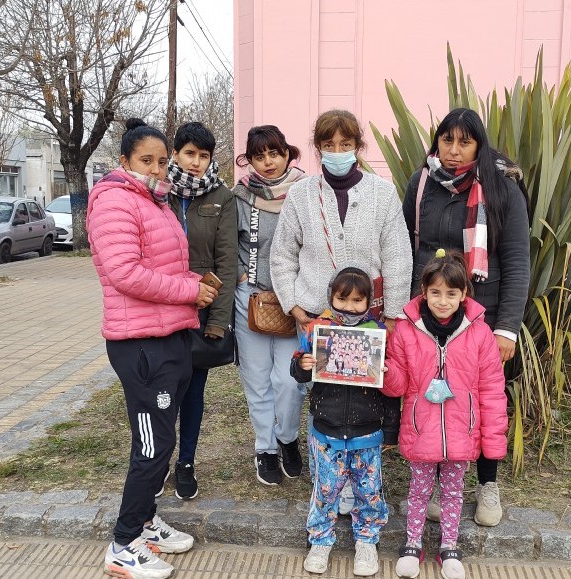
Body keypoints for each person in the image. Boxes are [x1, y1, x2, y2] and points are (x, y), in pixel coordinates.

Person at [87, 118, 218, 579]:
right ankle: (123, 545)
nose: (158, 169)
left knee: (159, 440)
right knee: (153, 445)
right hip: (141, 345)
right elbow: (126, 273)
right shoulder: (115, 202)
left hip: (168, 337)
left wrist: (189, 288)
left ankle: (145, 522)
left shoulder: (154, 201)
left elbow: (159, 264)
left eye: (163, 161)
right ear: (124, 161)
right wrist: (189, 290)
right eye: (147, 161)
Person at [270, 108, 412, 513]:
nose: (337, 151)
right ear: (317, 149)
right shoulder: (301, 195)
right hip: (318, 317)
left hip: (370, 321)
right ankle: (328, 479)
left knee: (364, 401)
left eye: (345, 144)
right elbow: (282, 256)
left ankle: (361, 477)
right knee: (322, 397)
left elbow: (398, 257)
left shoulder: (382, 193)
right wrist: (296, 308)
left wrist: (393, 318)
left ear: (357, 147)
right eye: (328, 145)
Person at [403, 107, 529, 527]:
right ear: (436, 142)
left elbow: (515, 261)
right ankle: (437, 485)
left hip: (483, 313)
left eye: (465, 141)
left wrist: (507, 326)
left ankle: (488, 485)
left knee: (486, 400)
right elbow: (404, 249)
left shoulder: (501, 189)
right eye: (446, 140)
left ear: (479, 144)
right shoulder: (421, 185)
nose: (454, 151)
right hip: (430, 311)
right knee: (434, 397)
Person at [383, 249, 508, 579]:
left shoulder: (480, 334)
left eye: (451, 293)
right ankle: (412, 544)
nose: (442, 301)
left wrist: (492, 445)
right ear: (424, 292)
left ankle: (449, 546)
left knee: (453, 493)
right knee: (418, 490)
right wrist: (383, 371)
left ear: (464, 294)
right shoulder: (407, 331)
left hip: (461, 432)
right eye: (435, 293)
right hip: (420, 428)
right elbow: (397, 384)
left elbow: (492, 391)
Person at [290, 267, 400, 577]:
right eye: (342, 299)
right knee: (325, 490)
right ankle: (321, 540)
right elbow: (296, 368)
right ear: (331, 297)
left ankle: (367, 540)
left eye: (357, 301)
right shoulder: (317, 329)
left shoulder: (378, 335)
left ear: (369, 302)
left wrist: (391, 427)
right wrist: (304, 364)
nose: (349, 306)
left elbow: (391, 391)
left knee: (369, 489)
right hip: (327, 428)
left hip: (367, 430)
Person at [231, 125, 308, 485]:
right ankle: (265, 448)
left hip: (295, 302)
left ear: (287, 153)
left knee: (289, 379)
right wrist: (240, 276)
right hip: (252, 299)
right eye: (259, 156)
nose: (268, 162)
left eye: (274, 153)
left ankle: (288, 437)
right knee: (257, 379)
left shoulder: (306, 193)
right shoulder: (240, 196)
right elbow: (225, 242)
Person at [166, 121, 237, 500]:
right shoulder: (156, 192)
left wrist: (219, 323)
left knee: (193, 392)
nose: (196, 163)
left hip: (202, 310)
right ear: (175, 153)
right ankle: (158, 459)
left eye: (204, 156)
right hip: (160, 308)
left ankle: (186, 462)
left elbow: (227, 264)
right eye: (189, 153)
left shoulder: (220, 198)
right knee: (162, 392)